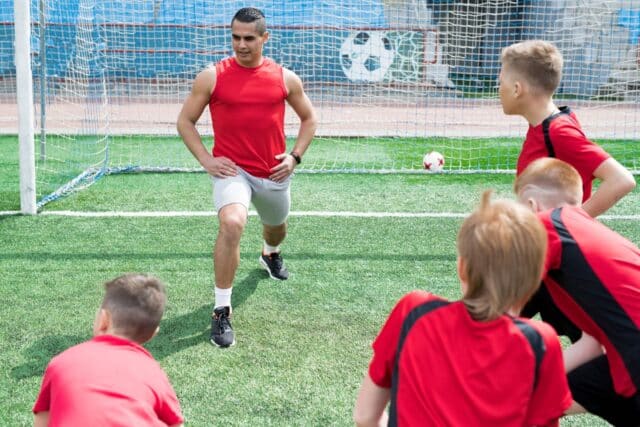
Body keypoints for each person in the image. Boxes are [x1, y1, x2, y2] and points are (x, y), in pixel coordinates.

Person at [353, 191, 571, 427]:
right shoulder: (540, 341)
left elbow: (365, 417)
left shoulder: (413, 310)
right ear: (537, 278)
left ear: (462, 267)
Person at [176, 7, 317, 348]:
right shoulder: (212, 76)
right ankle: (221, 310)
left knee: (276, 226)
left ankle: (270, 253)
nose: (241, 45)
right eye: (236, 37)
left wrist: (295, 156)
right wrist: (207, 160)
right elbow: (185, 122)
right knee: (233, 223)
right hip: (232, 171)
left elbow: (309, 119)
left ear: (264, 38)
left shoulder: (285, 78)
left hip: (273, 172)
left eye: (249, 38)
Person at [498, 39, 636, 342]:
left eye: (501, 80)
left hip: (558, 260)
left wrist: (568, 225)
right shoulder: (544, 125)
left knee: (491, 324)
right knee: (492, 326)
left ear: (518, 88)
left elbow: (621, 179)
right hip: (543, 258)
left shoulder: (558, 130)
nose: (499, 88)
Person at [515, 158, 640, 426]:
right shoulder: (588, 233)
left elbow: (503, 307)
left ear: (530, 206)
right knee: (530, 399)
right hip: (626, 356)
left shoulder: (547, 225)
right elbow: (591, 344)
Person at [32, 274, 184, 427]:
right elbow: (176, 424)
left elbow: (42, 421)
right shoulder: (154, 373)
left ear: (104, 320)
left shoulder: (62, 361)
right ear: (153, 334)